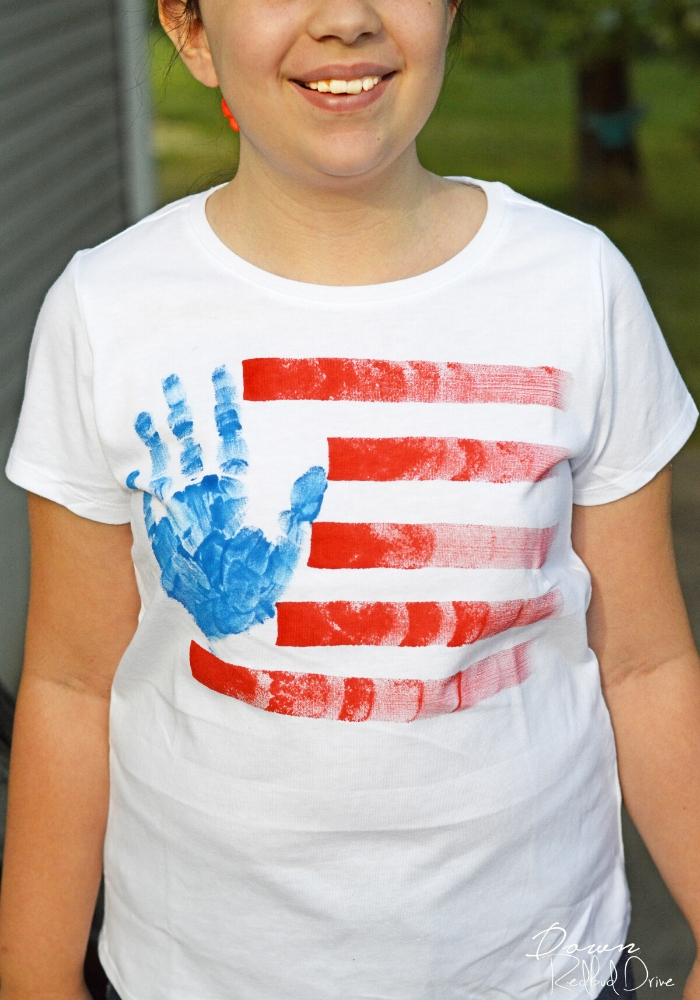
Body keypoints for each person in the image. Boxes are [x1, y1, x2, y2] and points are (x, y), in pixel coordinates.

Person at [1, 0, 699, 997]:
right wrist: (32, 975)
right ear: (191, 33)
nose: (346, 19)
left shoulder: (576, 287)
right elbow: (70, 685)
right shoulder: (107, 311)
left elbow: (645, 660)